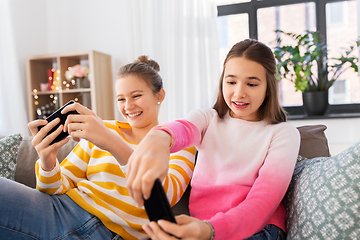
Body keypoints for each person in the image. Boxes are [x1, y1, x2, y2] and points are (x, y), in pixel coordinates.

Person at [0, 56, 196, 240]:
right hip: (62, 208)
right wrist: (47, 161)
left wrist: (110, 142)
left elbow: (165, 196)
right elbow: (56, 189)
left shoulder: (177, 142)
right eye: (121, 99)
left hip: (100, 228)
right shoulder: (104, 128)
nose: (128, 106)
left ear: (159, 95)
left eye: (136, 96)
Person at [126, 39, 301, 240]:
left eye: (251, 84)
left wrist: (210, 230)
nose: (239, 93)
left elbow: (263, 202)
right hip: (203, 229)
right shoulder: (208, 119)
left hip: (259, 229)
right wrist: (158, 137)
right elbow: (182, 128)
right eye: (231, 82)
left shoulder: (283, 133)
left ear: (269, 87)